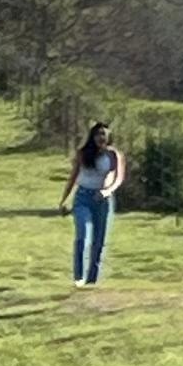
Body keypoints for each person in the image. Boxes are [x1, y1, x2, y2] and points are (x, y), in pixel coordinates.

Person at [69, 119, 127, 284]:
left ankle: (92, 279)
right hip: (83, 197)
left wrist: (106, 191)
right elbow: (73, 177)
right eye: (97, 134)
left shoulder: (113, 155)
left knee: (99, 240)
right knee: (83, 235)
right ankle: (78, 276)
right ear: (92, 137)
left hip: (103, 200)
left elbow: (118, 178)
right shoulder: (83, 153)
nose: (100, 137)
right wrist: (64, 199)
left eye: (103, 134)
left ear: (108, 136)